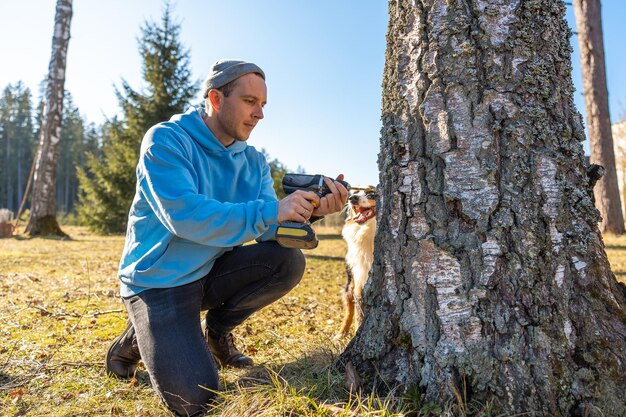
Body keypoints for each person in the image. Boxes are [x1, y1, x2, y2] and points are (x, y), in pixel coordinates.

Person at [104, 59, 349, 416]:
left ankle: (216, 332)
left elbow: (268, 226)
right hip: (159, 281)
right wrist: (272, 211)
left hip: (211, 270)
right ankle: (133, 338)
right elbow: (185, 218)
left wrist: (312, 211)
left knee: (286, 261)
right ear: (216, 99)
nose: (260, 114)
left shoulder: (253, 161)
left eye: (263, 105)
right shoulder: (167, 141)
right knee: (196, 398)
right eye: (250, 101)